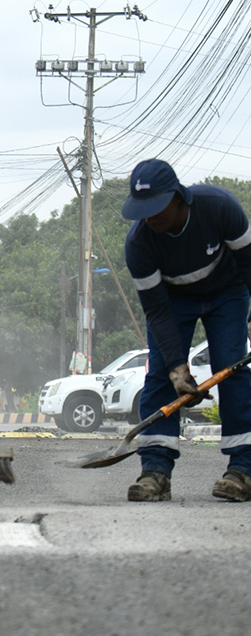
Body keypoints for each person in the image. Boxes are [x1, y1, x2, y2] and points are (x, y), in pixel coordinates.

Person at [122, 158, 251, 503]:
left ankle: (244, 469)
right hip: (172, 301)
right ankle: (155, 471)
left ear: (179, 197)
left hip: (228, 293)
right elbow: (157, 311)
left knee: (231, 367)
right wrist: (178, 369)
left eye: (157, 208)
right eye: (143, 210)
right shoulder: (139, 245)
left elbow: (250, 264)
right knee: (161, 378)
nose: (150, 218)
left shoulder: (220, 208)